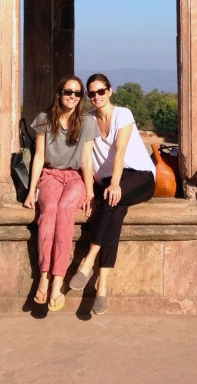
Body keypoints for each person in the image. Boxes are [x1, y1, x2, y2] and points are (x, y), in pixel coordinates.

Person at [69, 73, 156, 315]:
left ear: (110, 91)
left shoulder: (123, 114)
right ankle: (102, 288)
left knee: (110, 198)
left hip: (138, 177)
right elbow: (86, 158)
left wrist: (116, 183)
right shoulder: (88, 121)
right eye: (91, 93)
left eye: (101, 91)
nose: (96, 97)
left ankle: (89, 260)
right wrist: (88, 192)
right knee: (114, 210)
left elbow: (120, 151)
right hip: (109, 182)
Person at [23, 75, 97, 312]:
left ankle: (58, 280)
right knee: (50, 210)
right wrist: (31, 190)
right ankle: (44, 274)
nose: (72, 97)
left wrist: (90, 194)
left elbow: (86, 160)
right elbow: (39, 157)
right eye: (68, 92)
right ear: (59, 94)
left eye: (77, 93)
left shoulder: (86, 122)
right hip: (51, 176)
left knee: (65, 210)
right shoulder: (45, 119)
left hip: (75, 179)